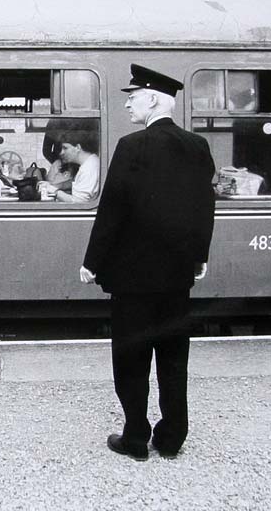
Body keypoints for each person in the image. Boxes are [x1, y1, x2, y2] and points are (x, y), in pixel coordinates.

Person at [80, 64, 215, 461]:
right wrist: (199, 256)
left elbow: (113, 209)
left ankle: (135, 438)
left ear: (153, 98)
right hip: (176, 278)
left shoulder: (131, 146)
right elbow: (204, 206)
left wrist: (93, 261)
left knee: (131, 357)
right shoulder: (197, 146)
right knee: (174, 360)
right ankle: (171, 438)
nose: (127, 104)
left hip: (132, 280)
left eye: (133, 96)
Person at [53, 132, 100, 202]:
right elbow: (77, 182)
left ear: (78, 148)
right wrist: (57, 186)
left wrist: (54, 191)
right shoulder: (90, 161)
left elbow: (79, 203)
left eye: (65, 148)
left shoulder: (89, 168)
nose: (61, 152)